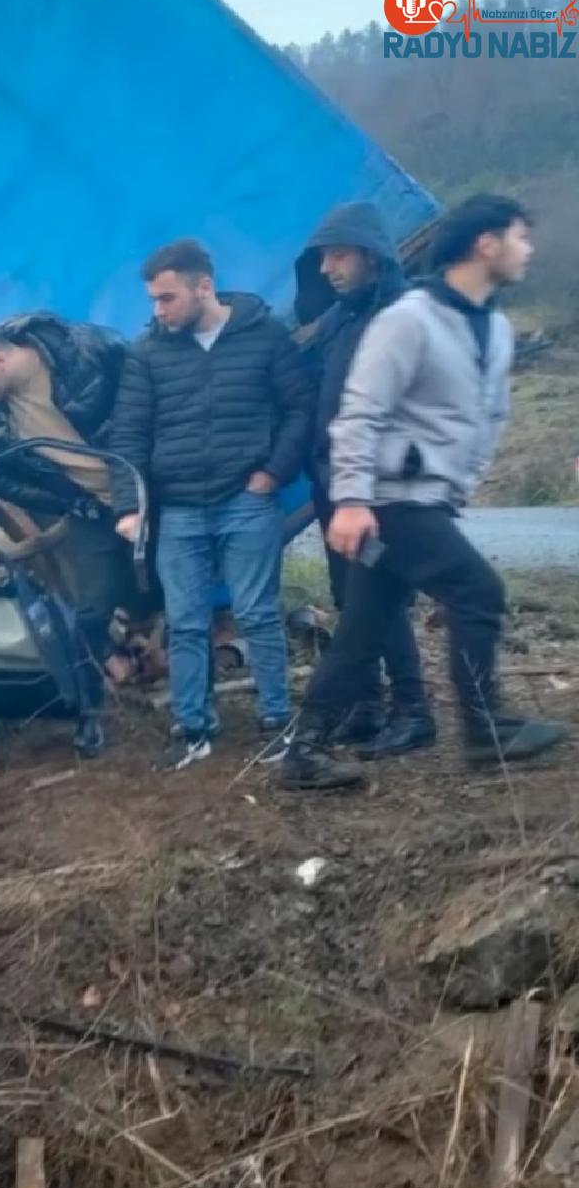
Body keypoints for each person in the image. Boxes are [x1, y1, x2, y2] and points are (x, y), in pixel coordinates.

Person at [282, 194, 566, 789]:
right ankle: (485, 727)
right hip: (389, 500)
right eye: (519, 237)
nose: (527, 250)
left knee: (363, 625)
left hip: (424, 498)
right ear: (485, 243)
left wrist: (456, 487)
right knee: (477, 589)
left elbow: (484, 419)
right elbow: (359, 413)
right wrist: (353, 499)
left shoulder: (494, 328)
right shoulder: (408, 318)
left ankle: (303, 753)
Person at [110, 239, 312, 771]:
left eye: (167, 298)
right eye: (153, 300)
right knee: (186, 621)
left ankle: (277, 724)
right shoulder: (147, 352)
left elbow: (300, 410)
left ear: (204, 286)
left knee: (257, 614)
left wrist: (272, 475)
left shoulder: (265, 337)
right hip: (176, 509)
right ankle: (193, 729)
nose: (158, 311)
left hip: (245, 500)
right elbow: (128, 434)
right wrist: (129, 507)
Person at [0, 313, 132, 759]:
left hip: (146, 488)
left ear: (0, 359)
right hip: (86, 511)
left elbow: (148, 400)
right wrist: (67, 500)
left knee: (179, 582)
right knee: (90, 611)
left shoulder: (85, 351)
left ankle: (196, 694)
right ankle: (90, 713)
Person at [296, 201, 434, 758]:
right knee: (346, 595)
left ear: (372, 256)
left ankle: (414, 710)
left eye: (339, 254)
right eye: (323, 258)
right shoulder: (341, 319)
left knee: (376, 600)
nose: (329, 268)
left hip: (381, 489)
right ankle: (369, 705)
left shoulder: (405, 314)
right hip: (336, 486)